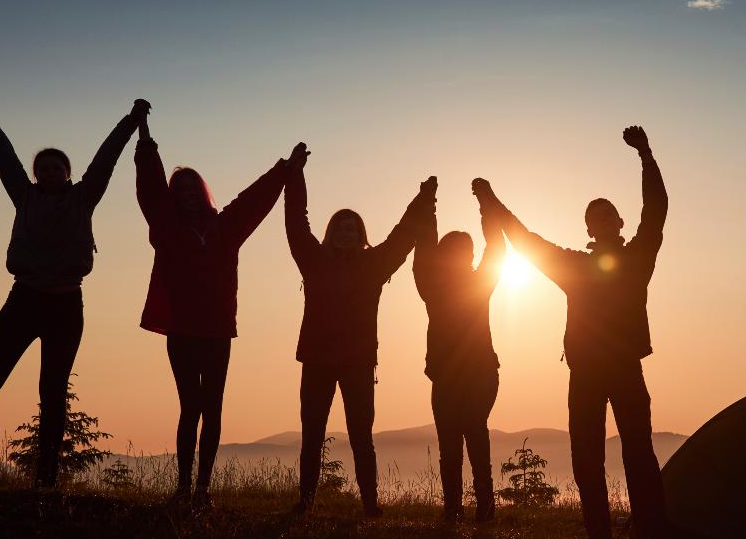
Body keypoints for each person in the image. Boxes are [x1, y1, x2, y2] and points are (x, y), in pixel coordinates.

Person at [0, 81, 147, 487]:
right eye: (41, 168)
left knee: (53, 392)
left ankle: (45, 477)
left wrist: (130, 122)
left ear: (67, 173)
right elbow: (3, 155)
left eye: (54, 167)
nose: (47, 173)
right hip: (23, 300)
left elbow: (106, 158)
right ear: (34, 175)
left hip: (66, 305)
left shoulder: (85, 196)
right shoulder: (23, 196)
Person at [474, 126, 668, 538]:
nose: (601, 220)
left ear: (619, 222)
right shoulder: (575, 268)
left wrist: (646, 156)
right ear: (589, 228)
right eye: (593, 217)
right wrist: (490, 201)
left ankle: (650, 527)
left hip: (626, 367)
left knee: (638, 451)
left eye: (607, 214)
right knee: (585, 457)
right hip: (585, 373)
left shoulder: (637, 258)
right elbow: (527, 241)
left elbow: (657, 209)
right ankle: (598, 529)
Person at [134, 110, 297, 509]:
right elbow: (150, 186)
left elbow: (253, 200)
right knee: (190, 406)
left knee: (213, 407)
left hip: (218, 331)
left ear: (201, 191)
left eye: (192, 188)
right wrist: (144, 136)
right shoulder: (165, 227)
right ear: (174, 196)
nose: (186, 194)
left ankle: (203, 489)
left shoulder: (225, 227)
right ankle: (183, 487)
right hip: (181, 330)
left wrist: (284, 170)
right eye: (180, 189)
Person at [284, 146, 434, 518]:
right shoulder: (312, 259)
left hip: (357, 362)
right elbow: (295, 220)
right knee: (312, 436)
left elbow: (402, 237)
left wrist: (423, 198)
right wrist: (294, 174)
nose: (346, 234)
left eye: (352, 229)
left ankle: (370, 506)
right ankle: (306, 503)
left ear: (361, 234)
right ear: (330, 233)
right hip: (317, 360)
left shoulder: (373, 264)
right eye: (340, 228)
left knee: (362, 438)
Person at [412, 177, 505, 522]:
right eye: (457, 250)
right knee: (452, 444)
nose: (463, 255)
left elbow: (496, 249)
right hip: (449, 377)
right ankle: (455, 508)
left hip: (480, 375)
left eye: (466, 251)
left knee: (472, 434)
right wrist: (428, 203)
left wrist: (485, 203)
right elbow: (424, 247)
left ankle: (482, 507)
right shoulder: (432, 287)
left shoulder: (479, 284)